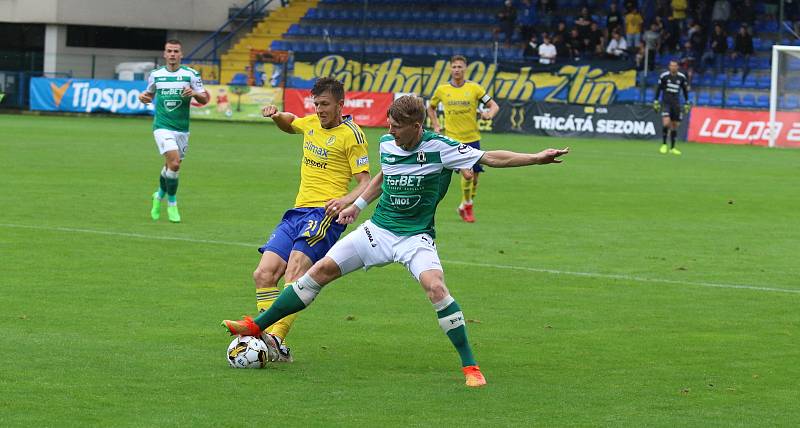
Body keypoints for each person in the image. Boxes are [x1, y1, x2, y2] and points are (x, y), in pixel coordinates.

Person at [222, 95, 570, 387]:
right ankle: (257, 326)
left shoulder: (441, 148)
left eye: (395, 126)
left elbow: (490, 157)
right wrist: (356, 205)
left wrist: (536, 158)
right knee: (319, 271)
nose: (387, 131)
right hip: (379, 230)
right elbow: (381, 177)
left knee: (436, 288)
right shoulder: (388, 143)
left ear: (416, 127)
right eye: (387, 124)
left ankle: (470, 367)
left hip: (414, 238)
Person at [252, 77, 372, 360]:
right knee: (263, 274)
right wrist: (277, 116)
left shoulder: (352, 135)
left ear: (340, 104)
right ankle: (268, 337)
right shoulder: (311, 123)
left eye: (325, 104)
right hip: (297, 212)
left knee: (294, 273)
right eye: (316, 104)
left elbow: (366, 182)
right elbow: (291, 123)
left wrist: (345, 200)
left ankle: (275, 337)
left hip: (324, 214)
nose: (319, 109)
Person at [139, 39, 209, 223]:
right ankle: (172, 203)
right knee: (175, 164)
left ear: (181, 54)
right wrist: (143, 97)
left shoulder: (191, 75)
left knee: (170, 166)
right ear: (164, 54)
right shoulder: (156, 75)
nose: (172, 54)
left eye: (175, 51)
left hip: (182, 129)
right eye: (169, 51)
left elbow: (204, 99)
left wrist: (194, 94)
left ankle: (158, 196)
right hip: (161, 127)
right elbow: (148, 94)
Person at [427, 55, 499, 223]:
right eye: (454, 67)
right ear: (450, 69)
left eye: (460, 67)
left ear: (465, 68)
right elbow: (430, 108)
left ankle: (464, 204)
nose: (457, 69)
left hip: (473, 139)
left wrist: (490, 114)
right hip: (453, 140)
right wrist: (436, 124)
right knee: (467, 175)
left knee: (474, 180)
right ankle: (467, 207)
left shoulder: (475, 88)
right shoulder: (442, 89)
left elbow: (494, 105)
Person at [653, 60, 690, 155]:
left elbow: (685, 90)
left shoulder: (681, 77)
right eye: (671, 65)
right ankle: (664, 144)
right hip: (666, 103)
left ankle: (672, 148)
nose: (673, 67)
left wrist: (687, 102)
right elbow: (658, 89)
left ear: (677, 67)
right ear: (669, 67)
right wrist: (656, 100)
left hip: (676, 104)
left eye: (675, 66)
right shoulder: (664, 76)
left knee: (674, 126)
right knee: (666, 123)